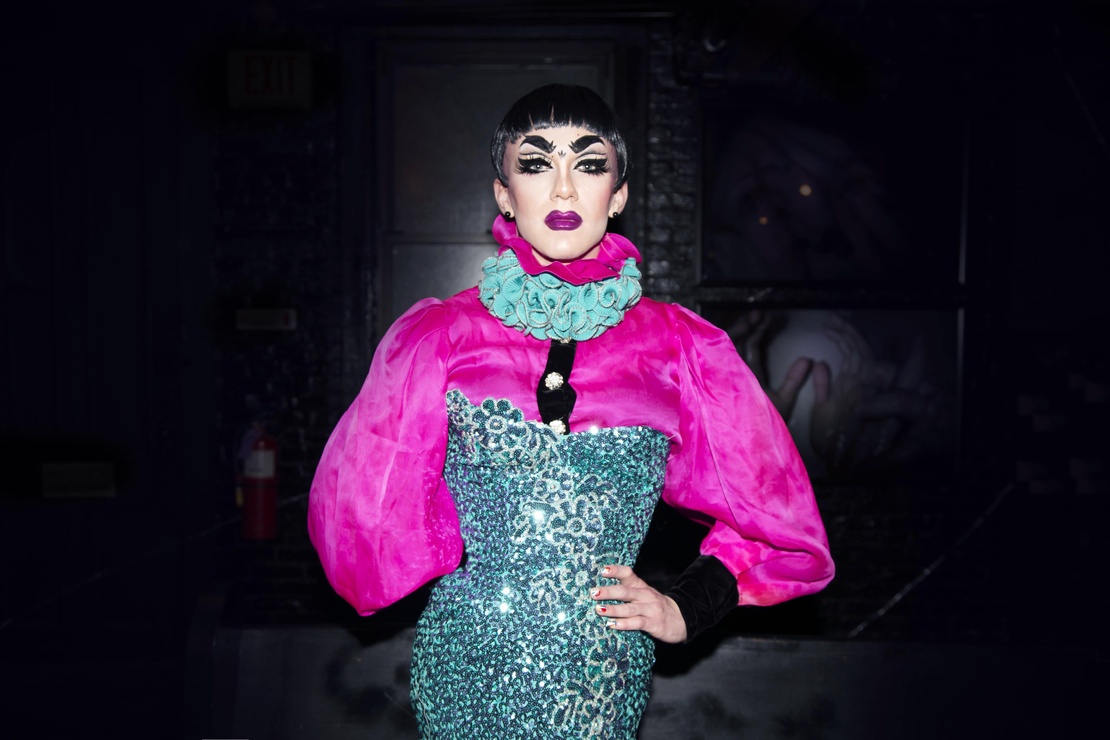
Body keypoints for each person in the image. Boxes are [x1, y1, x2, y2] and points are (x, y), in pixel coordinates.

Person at [308, 84, 834, 739]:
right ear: (504, 194)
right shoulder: (439, 338)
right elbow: (361, 535)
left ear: (618, 195)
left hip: (598, 679)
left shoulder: (681, 348)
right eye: (536, 164)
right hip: (465, 665)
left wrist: (686, 606)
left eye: (588, 164)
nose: (562, 188)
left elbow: (779, 521)